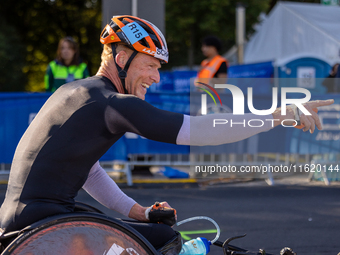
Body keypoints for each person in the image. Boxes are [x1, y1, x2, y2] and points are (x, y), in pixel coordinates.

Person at [0, 15, 334, 254]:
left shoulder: (78, 92)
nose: (156, 78)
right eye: (151, 66)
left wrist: (139, 212)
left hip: (26, 218)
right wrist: (281, 114)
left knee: (153, 229)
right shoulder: (112, 102)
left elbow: (87, 171)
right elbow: (198, 130)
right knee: (163, 239)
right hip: (44, 221)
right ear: (121, 58)